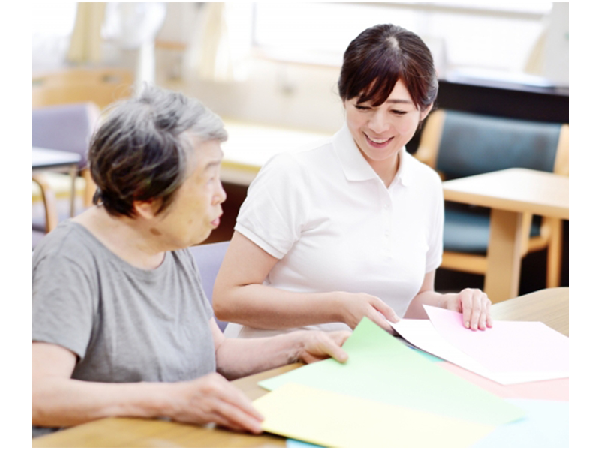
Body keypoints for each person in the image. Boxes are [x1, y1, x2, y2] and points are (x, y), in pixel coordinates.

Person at [31, 85, 350, 438]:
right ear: (145, 200)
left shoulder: (167, 240)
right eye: (208, 179)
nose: (221, 195)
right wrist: (170, 400)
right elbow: (40, 395)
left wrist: (300, 344)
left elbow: (218, 352)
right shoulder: (70, 260)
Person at [212, 23, 493, 339]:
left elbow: (409, 303)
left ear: (424, 109)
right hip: (279, 361)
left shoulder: (426, 185)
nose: (378, 126)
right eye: (364, 107)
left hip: (366, 363)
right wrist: (335, 308)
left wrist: (451, 303)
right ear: (344, 99)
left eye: (397, 112)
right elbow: (227, 299)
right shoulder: (292, 173)